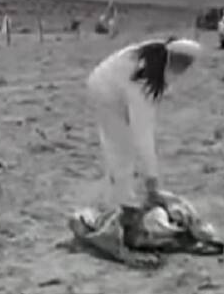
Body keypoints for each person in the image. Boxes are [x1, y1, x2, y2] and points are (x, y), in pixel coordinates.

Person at [86, 35, 203, 221]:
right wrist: (152, 181)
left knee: (125, 146)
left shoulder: (155, 57)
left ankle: (119, 198)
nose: (182, 71)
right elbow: (143, 134)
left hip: (114, 87)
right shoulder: (143, 83)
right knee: (121, 148)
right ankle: (119, 206)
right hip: (105, 91)